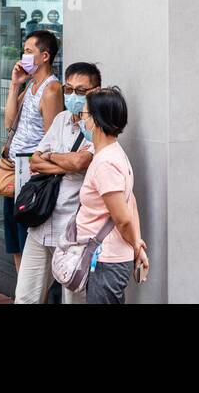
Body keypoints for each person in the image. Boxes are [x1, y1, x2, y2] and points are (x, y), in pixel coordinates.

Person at [15, 61, 100, 304]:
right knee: (24, 298)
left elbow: (81, 162)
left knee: (74, 298)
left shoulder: (98, 128)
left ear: (96, 91)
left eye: (81, 91)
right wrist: (62, 161)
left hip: (74, 233)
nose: (74, 96)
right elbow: (35, 161)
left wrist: (51, 158)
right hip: (41, 223)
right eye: (69, 89)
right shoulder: (62, 118)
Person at [76, 87, 148, 304]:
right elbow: (130, 202)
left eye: (85, 114)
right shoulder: (114, 153)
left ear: (97, 121)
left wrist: (137, 246)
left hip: (107, 261)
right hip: (107, 259)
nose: (82, 120)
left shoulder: (106, 163)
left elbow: (123, 218)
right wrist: (138, 244)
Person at [2, 29, 63, 272]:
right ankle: (23, 294)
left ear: (45, 56)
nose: (23, 56)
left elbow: (52, 138)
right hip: (14, 170)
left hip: (31, 174)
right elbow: (9, 122)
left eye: (29, 51)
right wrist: (14, 85)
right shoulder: (31, 85)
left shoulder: (51, 89)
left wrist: (40, 168)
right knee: (14, 243)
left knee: (28, 241)